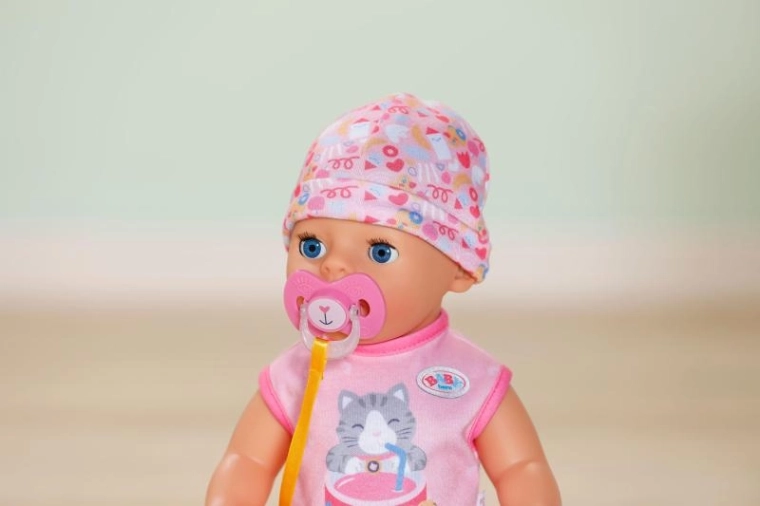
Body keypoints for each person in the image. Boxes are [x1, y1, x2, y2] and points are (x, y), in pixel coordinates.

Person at [206, 93, 561, 505]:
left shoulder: (469, 377)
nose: (333, 266)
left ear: (460, 268)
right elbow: (247, 461)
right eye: (312, 245)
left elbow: (522, 468)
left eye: (379, 251)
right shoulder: (297, 374)